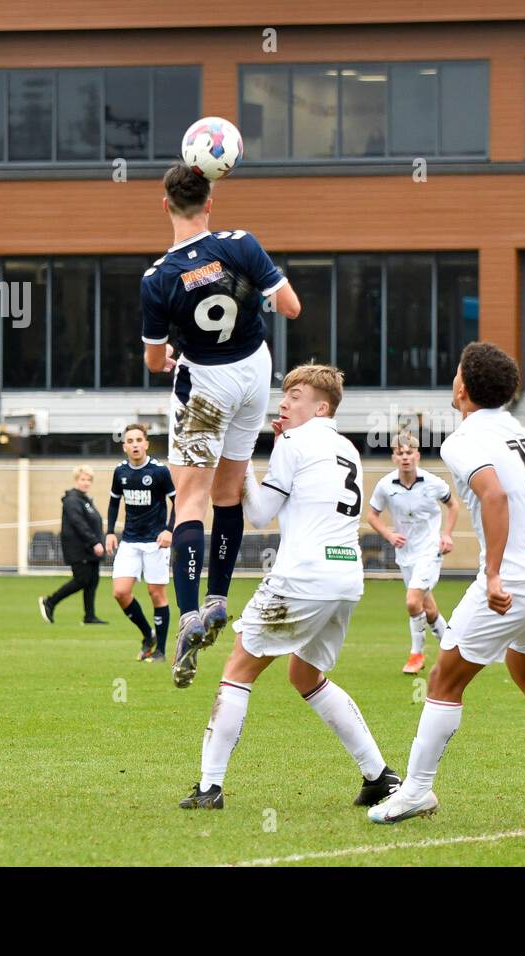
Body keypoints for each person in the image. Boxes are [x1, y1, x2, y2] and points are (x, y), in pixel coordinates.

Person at [369, 343, 525, 825]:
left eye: (455, 372)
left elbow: (493, 495)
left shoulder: (463, 439)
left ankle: (416, 791)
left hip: (514, 581)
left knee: (443, 680)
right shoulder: (520, 433)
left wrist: (494, 572)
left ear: (464, 388)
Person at [179, 365, 400, 811]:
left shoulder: (294, 442)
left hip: (303, 576)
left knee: (238, 669)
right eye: (283, 395)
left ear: (321, 406)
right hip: (344, 579)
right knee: (305, 675)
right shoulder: (348, 448)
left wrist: (239, 463)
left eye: (294, 396)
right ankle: (379, 776)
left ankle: (209, 788)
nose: (283, 403)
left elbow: (259, 514)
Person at [140, 161, 302, 686]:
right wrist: (254, 293)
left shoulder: (157, 277)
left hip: (205, 385)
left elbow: (153, 360)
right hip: (254, 371)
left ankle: (188, 616)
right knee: (228, 493)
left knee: (190, 500)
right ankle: (218, 598)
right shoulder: (239, 244)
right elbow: (292, 307)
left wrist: (168, 359)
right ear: (210, 203)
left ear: (165, 206)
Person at [365, 432, 459, 674]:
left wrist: (446, 535)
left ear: (417, 455)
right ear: (394, 457)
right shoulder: (385, 485)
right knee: (428, 610)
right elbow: (372, 516)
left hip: (429, 549)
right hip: (405, 554)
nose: (405, 457)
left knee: (412, 601)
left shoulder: (432, 482)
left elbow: (453, 505)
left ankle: (417, 654)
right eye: (400, 453)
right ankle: (455, 651)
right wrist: (389, 535)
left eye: (409, 453)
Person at [106, 424, 176, 662]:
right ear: (124, 446)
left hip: (156, 542)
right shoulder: (120, 472)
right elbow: (115, 502)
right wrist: (110, 532)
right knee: (120, 592)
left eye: (139, 440)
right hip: (130, 541)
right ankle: (148, 634)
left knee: (156, 594)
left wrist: (169, 530)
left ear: (146, 443)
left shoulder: (159, 471)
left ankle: (161, 652)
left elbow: (179, 501)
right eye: (130, 441)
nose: (135, 444)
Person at [39, 466, 107, 625]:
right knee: (81, 580)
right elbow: (79, 524)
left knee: (92, 581)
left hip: (90, 551)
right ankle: (50, 601)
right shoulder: (72, 500)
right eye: (83, 479)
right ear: (76, 480)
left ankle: (89, 616)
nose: (86, 483)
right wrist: (94, 542)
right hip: (80, 549)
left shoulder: (86, 501)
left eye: (89, 480)